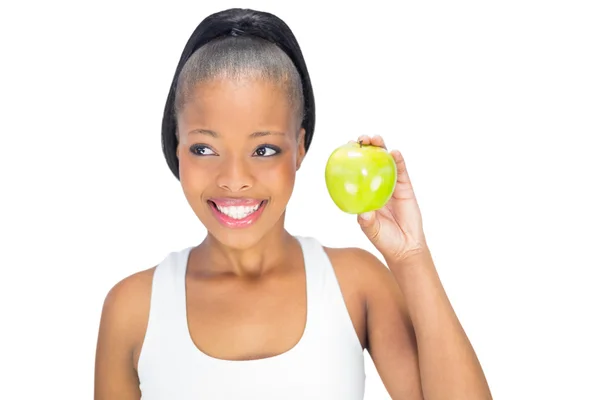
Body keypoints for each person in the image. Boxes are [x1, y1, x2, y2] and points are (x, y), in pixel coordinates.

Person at [94, 8, 492, 400]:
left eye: (264, 149)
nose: (234, 179)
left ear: (299, 148)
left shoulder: (356, 284)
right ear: (177, 146)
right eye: (204, 148)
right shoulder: (133, 309)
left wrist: (411, 256)